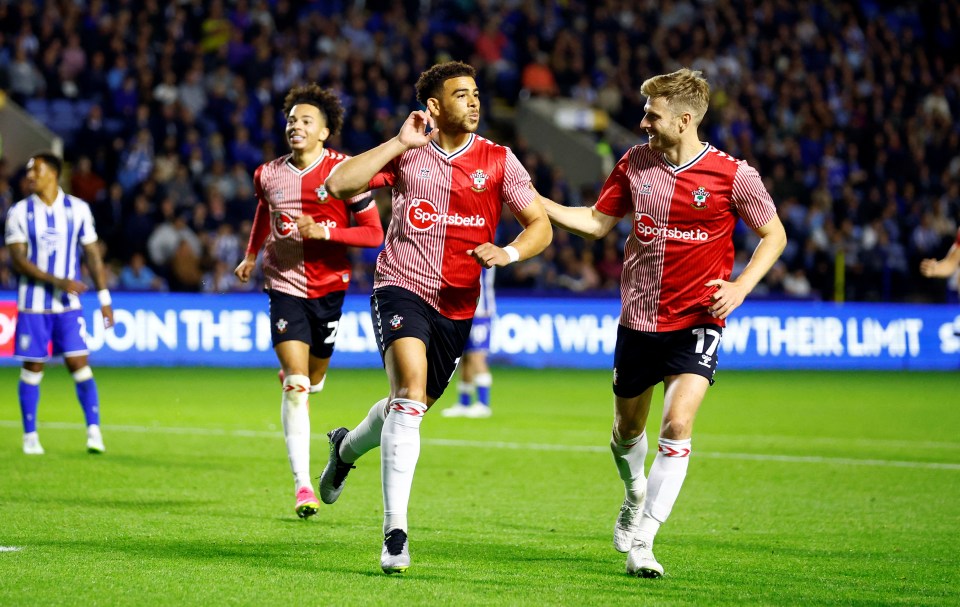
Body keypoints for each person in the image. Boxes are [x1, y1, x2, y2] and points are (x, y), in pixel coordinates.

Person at [541, 68, 786, 578]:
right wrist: (530, 199)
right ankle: (634, 494)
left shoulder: (733, 174)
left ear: (685, 119)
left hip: (698, 319)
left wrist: (741, 286)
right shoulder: (634, 164)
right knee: (626, 429)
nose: (643, 121)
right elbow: (595, 223)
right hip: (639, 320)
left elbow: (774, 235)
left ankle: (645, 542)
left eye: (652, 114)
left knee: (677, 425)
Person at [320, 60, 552, 574]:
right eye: (461, 94)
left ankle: (345, 449)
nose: (473, 102)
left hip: (457, 306)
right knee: (407, 394)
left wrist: (509, 253)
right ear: (435, 106)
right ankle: (395, 534)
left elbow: (539, 225)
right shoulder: (409, 154)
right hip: (401, 287)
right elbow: (339, 184)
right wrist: (399, 143)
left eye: (475, 94)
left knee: (410, 405)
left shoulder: (498, 160)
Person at [233, 84, 384, 519]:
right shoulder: (267, 173)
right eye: (291, 120)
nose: (295, 126)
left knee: (313, 380)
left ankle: (305, 375)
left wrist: (327, 232)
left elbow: (373, 233)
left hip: (329, 289)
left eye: (305, 121)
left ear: (325, 132)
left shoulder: (346, 173)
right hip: (282, 285)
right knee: (296, 385)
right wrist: (250, 253)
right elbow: (264, 209)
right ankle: (303, 485)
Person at [4, 152, 116, 455]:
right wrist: (59, 282)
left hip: (68, 305)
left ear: (52, 174)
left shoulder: (78, 210)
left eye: (36, 171)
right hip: (33, 305)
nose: (30, 177)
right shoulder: (19, 212)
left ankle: (94, 431)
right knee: (33, 367)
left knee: (80, 364)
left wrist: (105, 299)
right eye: (29, 172)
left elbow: (92, 254)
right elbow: (18, 260)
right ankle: (30, 436)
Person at [441, 266, 495, 418]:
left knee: (477, 356)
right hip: (462, 310)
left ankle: (483, 404)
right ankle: (464, 403)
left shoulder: (485, 250)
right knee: (464, 357)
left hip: (480, 311)